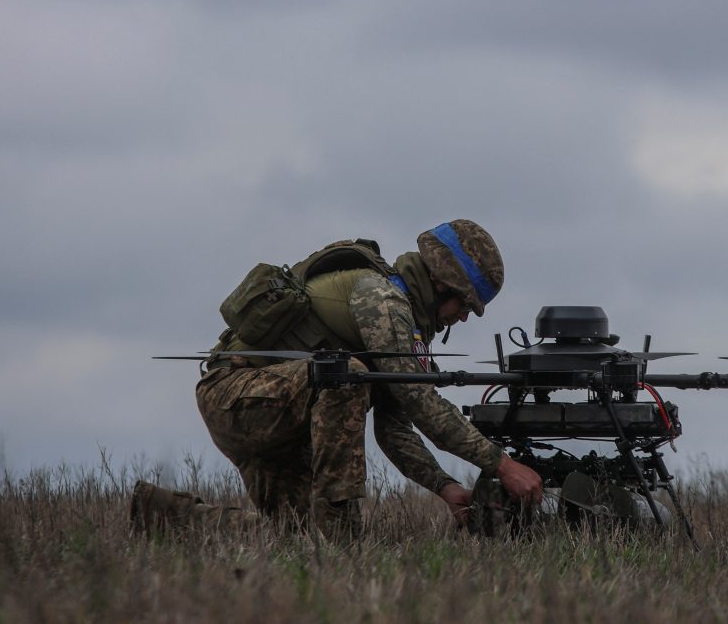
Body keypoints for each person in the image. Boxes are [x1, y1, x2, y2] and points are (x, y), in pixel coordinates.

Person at [131, 220, 543, 539]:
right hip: (237, 397)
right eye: (465, 304)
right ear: (440, 282)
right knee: (346, 376)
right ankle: (342, 532)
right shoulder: (382, 301)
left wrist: (446, 487)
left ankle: (161, 515)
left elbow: (395, 426)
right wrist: (502, 464)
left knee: (295, 540)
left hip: (276, 411)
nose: (464, 317)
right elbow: (420, 402)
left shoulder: (406, 321)